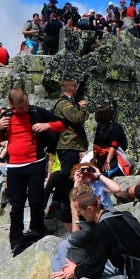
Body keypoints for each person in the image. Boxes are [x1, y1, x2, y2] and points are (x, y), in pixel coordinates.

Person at [0, 88, 66, 255]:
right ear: (12, 105)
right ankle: (16, 240)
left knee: (36, 200)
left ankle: (36, 230)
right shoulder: (6, 118)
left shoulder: (36, 112)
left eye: (26, 104)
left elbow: (62, 125)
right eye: (20, 107)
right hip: (14, 167)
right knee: (17, 204)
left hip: (35, 163)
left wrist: (47, 125)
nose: (25, 108)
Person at [51, 189, 140, 279]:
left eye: (80, 212)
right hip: (136, 273)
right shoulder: (120, 215)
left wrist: (75, 270)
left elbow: (94, 269)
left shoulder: (104, 227)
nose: (80, 216)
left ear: (90, 209)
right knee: (85, 267)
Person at [50, 81, 90, 228]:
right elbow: (77, 117)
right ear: (73, 88)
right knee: (67, 174)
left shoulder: (67, 103)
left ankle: (64, 203)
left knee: (70, 174)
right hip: (68, 144)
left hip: (72, 144)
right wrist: (84, 107)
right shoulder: (63, 104)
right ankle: (57, 204)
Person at [92, 107, 129, 176]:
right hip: (101, 153)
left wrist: (107, 162)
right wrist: (94, 157)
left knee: (104, 173)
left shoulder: (115, 127)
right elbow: (95, 143)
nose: (95, 116)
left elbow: (114, 146)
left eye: (97, 114)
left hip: (115, 155)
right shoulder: (100, 126)